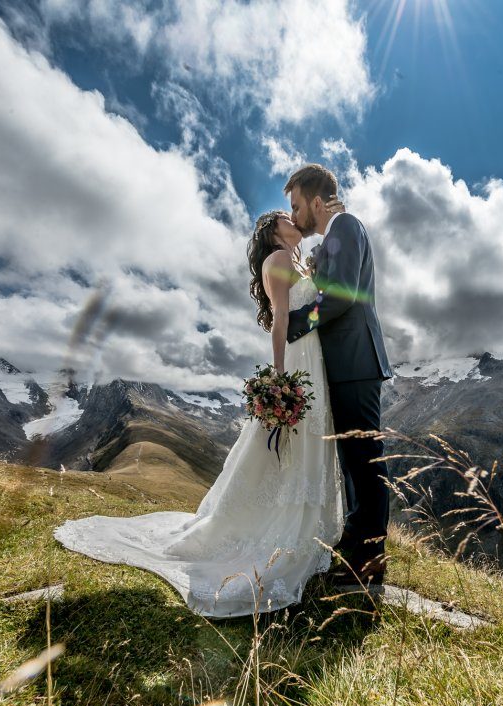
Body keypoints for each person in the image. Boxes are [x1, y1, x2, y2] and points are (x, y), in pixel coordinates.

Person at [53, 202, 346, 618]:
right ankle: (272, 529)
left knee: (305, 439)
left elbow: (311, 310)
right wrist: (281, 377)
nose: (293, 219)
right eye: (286, 216)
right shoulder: (279, 259)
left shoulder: (295, 257)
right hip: (298, 358)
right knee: (286, 442)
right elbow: (281, 317)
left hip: (312, 354)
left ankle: (298, 524)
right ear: (273, 230)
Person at [284, 164, 392, 585]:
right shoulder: (336, 233)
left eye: (296, 207)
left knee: (365, 463)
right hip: (347, 362)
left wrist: (293, 323)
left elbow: (342, 296)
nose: (293, 217)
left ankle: (370, 564)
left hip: (356, 359)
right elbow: (328, 278)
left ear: (315, 201)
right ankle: (355, 542)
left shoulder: (346, 223)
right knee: (352, 462)